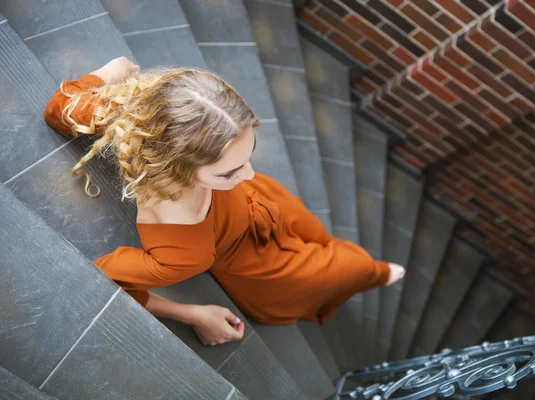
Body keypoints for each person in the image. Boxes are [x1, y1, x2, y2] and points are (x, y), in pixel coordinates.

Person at [44, 57, 406, 347]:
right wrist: (190, 313)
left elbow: (60, 108)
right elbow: (103, 278)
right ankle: (372, 273)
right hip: (249, 255)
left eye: (249, 155)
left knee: (317, 235)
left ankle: (356, 264)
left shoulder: (141, 124)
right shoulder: (186, 251)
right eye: (229, 172)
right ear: (175, 166)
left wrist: (107, 73)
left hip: (263, 205)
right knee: (351, 268)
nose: (248, 174)